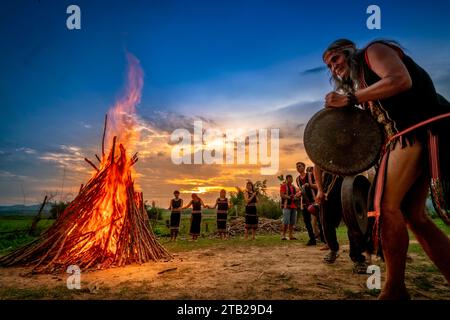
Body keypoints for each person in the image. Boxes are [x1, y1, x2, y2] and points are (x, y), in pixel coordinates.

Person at [322, 38, 450, 299]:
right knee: (415, 216)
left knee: (383, 207)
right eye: (328, 65)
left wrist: (350, 99)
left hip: (418, 130)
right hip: (408, 137)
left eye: (335, 59)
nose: (333, 68)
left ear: (350, 52)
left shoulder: (374, 51)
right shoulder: (366, 89)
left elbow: (400, 79)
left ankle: (394, 290)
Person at [314, 167, 372, 274]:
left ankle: (358, 258)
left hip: (351, 180)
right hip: (329, 183)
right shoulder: (326, 151)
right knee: (326, 221)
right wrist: (320, 190)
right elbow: (317, 167)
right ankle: (333, 249)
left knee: (354, 221)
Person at [295, 162, 323, 245]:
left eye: (299, 166)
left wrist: (310, 185)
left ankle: (324, 238)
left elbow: (318, 185)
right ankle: (312, 239)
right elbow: (301, 190)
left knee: (319, 220)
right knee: (307, 222)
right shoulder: (297, 179)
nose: (298, 168)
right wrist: (299, 193)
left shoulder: (311, 175)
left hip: (314, 200)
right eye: (297, 167)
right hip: (304, 202)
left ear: (304, 167)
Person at [280, 175, 300, 240]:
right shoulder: (283, 186)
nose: (290, 179)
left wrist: (295, 197)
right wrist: (289, 197)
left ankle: (290, 235)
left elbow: (297, 194)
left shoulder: (294, 187)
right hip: (286, 205)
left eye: (291, 178)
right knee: (285, 221)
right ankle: (283, 235)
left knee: (292, 222)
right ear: (286, 179)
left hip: (293, 206)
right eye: (288, 178)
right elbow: (282, 195)